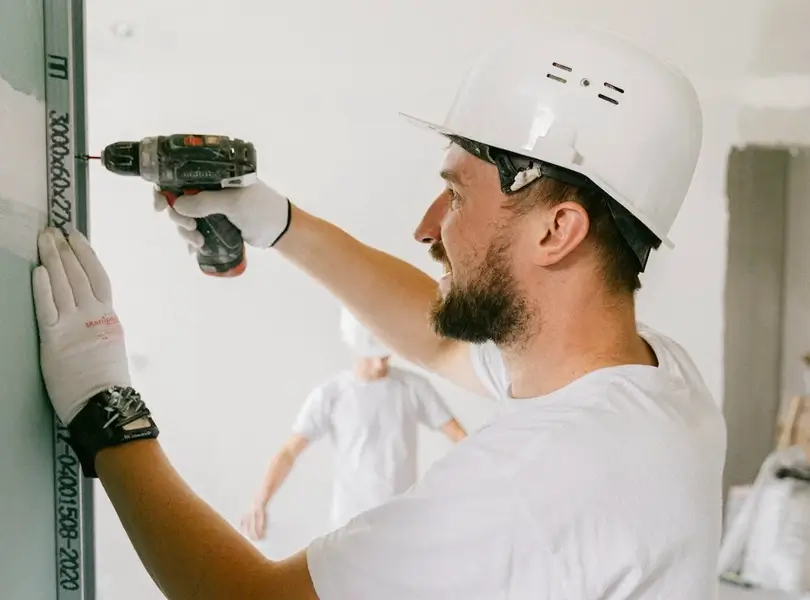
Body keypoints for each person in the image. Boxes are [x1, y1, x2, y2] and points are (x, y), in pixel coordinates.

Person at [32, 21, 727, 600]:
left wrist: (105, 410)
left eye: (456, 195)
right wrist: (280, 223)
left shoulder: (541, 479)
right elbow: (441, 343)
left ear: (556, 230)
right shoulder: (658, 384)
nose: (427, 228)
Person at [241, 307, 466, 539]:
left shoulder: (413, 387)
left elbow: (460, 437)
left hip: (402, 523)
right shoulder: (331, 394)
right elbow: (289, 451)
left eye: (384, 356)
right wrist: (260, 502)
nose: (379, 365)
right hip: (349, 524)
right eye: (372, 356)